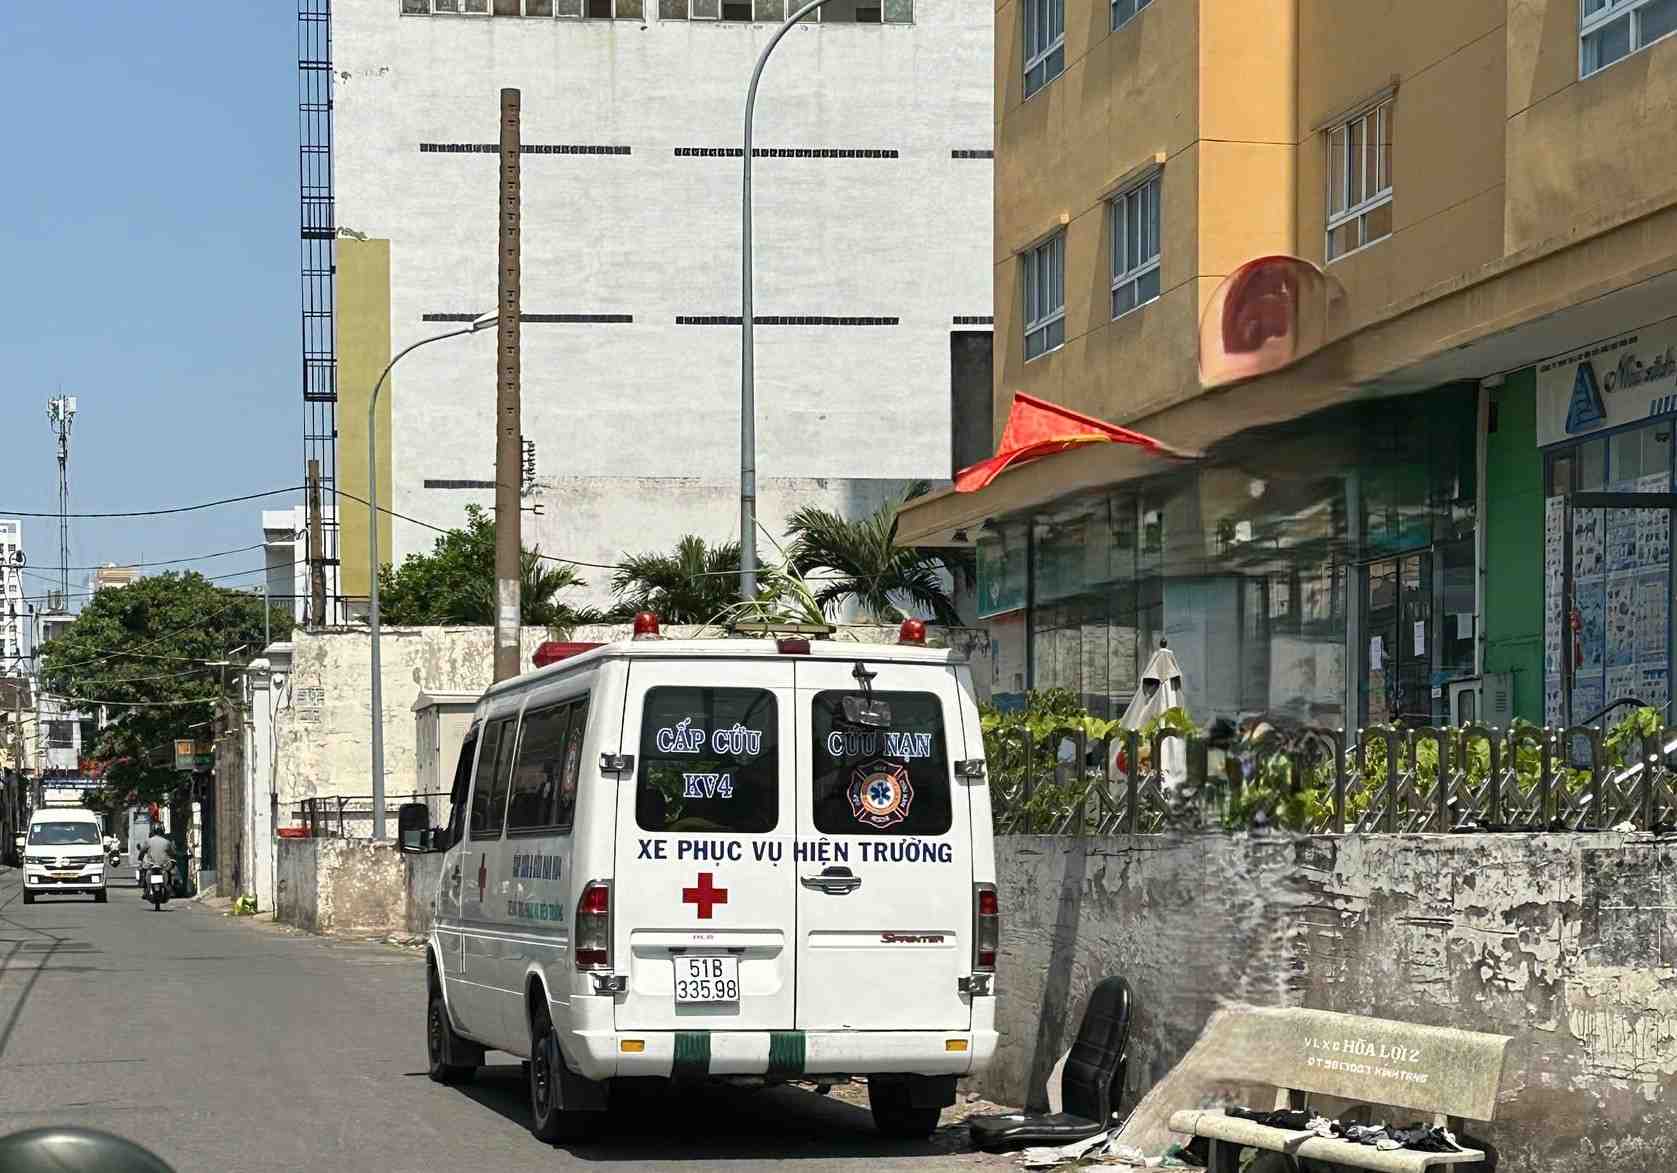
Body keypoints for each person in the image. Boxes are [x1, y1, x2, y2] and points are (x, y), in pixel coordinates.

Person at [138, 829, 175, 898]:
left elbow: (142, 851)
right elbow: (172, 853)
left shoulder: (148, 841)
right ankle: (170, 889)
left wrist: (140, 859)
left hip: (151, 865)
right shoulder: (167, 842)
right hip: (163, 865)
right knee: (169, 872)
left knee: (144, 870)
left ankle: (145, 888)